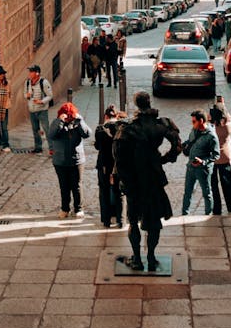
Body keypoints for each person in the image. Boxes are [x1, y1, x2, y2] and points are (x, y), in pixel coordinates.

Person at [112, 91, 181, 272]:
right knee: (154, 220)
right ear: (149, 102)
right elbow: (177, 145)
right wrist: (163, 159)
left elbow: (118, 157)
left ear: (136, 104)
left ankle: (137, 258)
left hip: (134, 178)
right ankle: (150, 257)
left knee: (133, 220)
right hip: (154, 177)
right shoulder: (161, 125)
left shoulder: (128, 127)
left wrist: (123, 179)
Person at [47, 101, 91, 219]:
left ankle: (78, 209)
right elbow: (50, 135)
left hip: (76, 160)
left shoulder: (77, 123)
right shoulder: (57, 123)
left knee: (76, 185)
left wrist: (80, 120)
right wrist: (59, 122)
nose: (68, 119)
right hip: (60, 161)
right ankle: (65, 208)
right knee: (64, 186)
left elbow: (87, 134)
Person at [180, 109, 220, 216]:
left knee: (206, 193)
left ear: (201, 120)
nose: (192, 124)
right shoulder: (194, 130)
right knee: (187, 192)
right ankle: (185, 214)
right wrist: (183, 144)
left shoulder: (211, 136)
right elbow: (190, 140)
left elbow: (216, 155)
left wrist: (203, 162)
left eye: (194, 121)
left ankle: (208, 215)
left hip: (203, 170)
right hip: (190, 167)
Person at [94, 103, 125, 227]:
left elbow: (97, 146)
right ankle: (120, 220)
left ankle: (106, 220)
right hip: (118, 164)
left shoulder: (100, 129)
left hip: (104, 165)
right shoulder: (122, 128)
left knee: (104, 191)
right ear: (116, 116)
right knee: (119, 192)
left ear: (106, 116)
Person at [209, 100, 231, 214]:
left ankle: (216, 208)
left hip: (212, 158)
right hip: (225, 157)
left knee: (213, 184)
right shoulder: (227, 127)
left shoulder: (210, 128)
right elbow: (230, 119)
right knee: (227, 183)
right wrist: (224, 107)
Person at [25, 64, 54, 152]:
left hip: (42, 110)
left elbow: (50, 95)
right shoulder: (27, 82)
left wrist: (41, 101)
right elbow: (24, 93)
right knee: (35, 130)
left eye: (31, 71)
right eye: (29, 71)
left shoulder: (44, 82)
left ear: (37, 73)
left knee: (46, 129)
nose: (29, 73)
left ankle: (52, 148)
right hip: (32, 109)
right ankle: (38, 147)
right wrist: (27, 95)